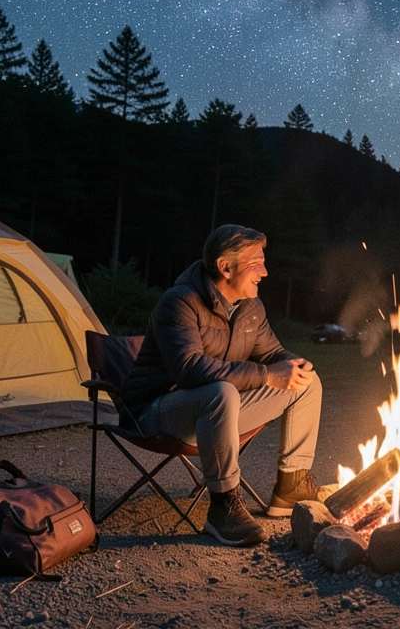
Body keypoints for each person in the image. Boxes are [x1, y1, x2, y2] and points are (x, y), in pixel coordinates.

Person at [122, 225, 324, 547]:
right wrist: (269, 376)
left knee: (307, 383)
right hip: (158, 412)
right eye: (256, 263)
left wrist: (295, 364)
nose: (265, 271)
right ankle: (223, 507)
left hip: (214, 414)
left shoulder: (250, 308)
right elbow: (189, 369)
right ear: (225, 267)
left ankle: (291, 485)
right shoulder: (180, 302)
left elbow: (271, 354)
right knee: (221, 392)